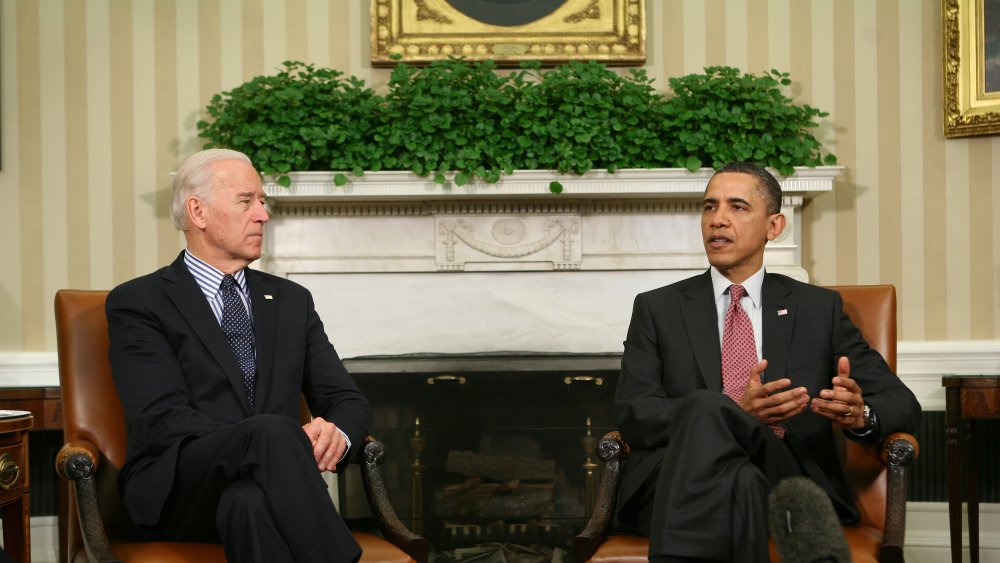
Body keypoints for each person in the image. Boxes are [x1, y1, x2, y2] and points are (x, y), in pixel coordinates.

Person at [612, 161, 921, 563]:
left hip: (781, 470)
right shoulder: (658, 308)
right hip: (679, 479)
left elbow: (902, 404)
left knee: (721, 436)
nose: (718, 220)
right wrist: (735, 412)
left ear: (774, 227)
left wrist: (860, 415)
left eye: (737, 207)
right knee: (726, 449)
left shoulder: (817, 309)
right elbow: (634, 413)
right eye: (709, 207)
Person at [106, 148, 373, 562]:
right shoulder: (140, 302)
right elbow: (161, 418)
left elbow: (345, 398)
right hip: (179, 488)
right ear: (198, 212)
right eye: (247, 201)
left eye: (263, 201)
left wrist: (336, 433)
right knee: (268, 431)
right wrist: (261, 439)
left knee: (248, 503)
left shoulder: (290, 301)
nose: (263, 215)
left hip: (270, 488)